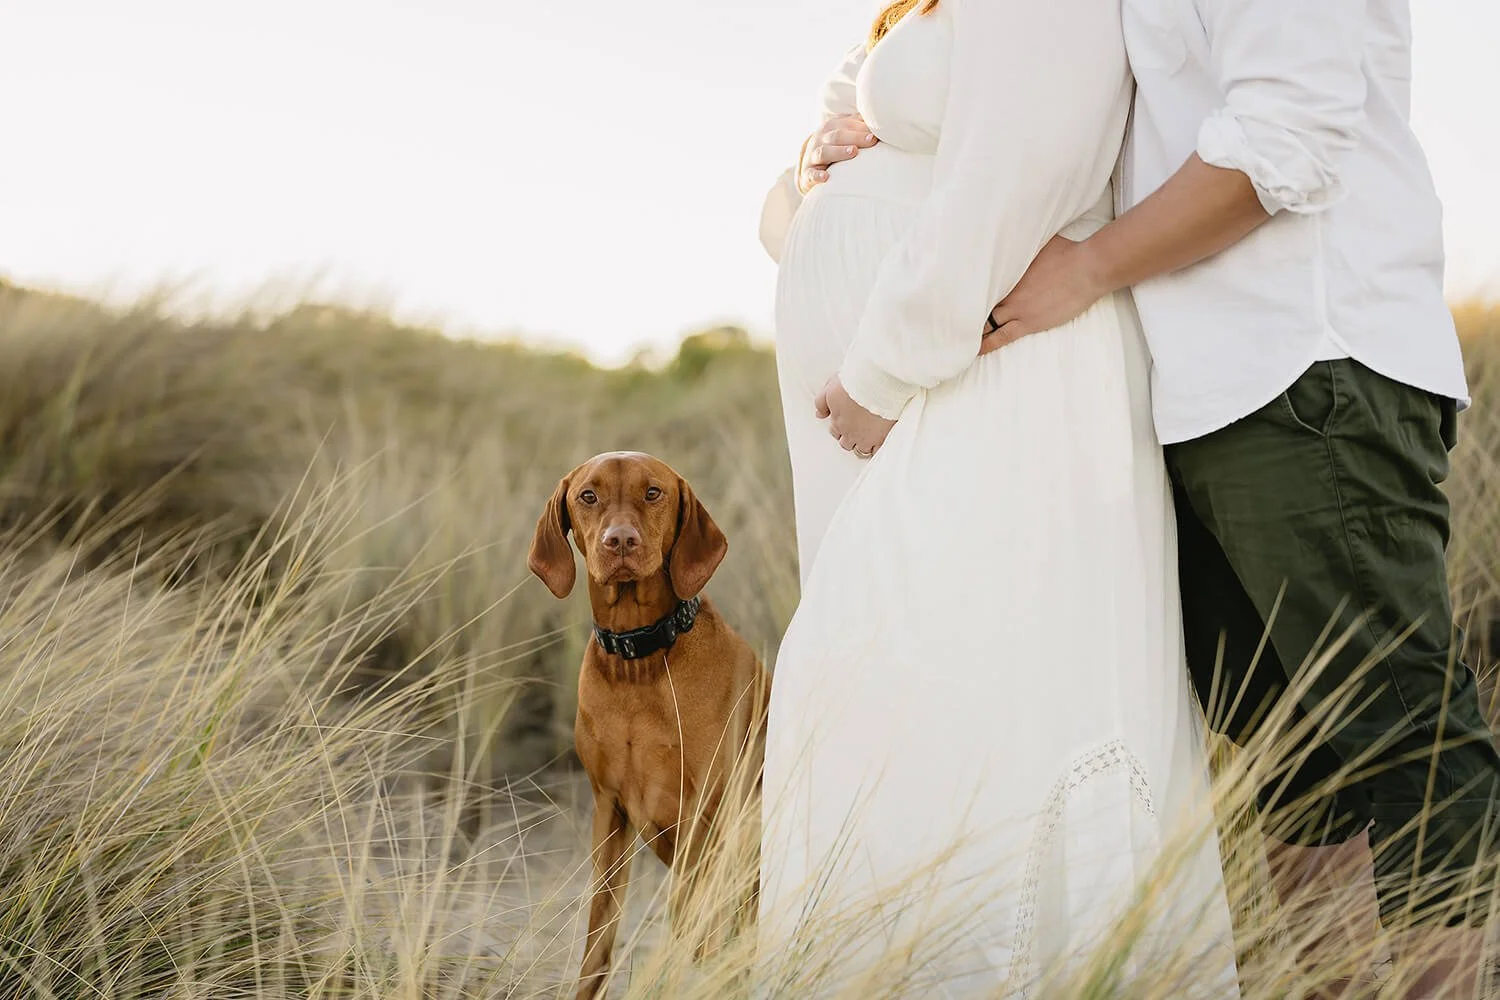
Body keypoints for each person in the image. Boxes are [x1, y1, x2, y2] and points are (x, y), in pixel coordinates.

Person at [775, 1, 1500, 996]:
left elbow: (1286, 136)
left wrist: (1088, 268)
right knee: (1295, 763)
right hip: (1196, 387)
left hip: (1311, 358)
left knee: (1402, 733)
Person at [756, 0, 1239, 994]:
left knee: (979, 704)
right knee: (891, 701)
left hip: (996, 375)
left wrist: (878, 374)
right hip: (923, 385)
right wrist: (815, 167)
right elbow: (801, 199)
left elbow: (1013, 179)